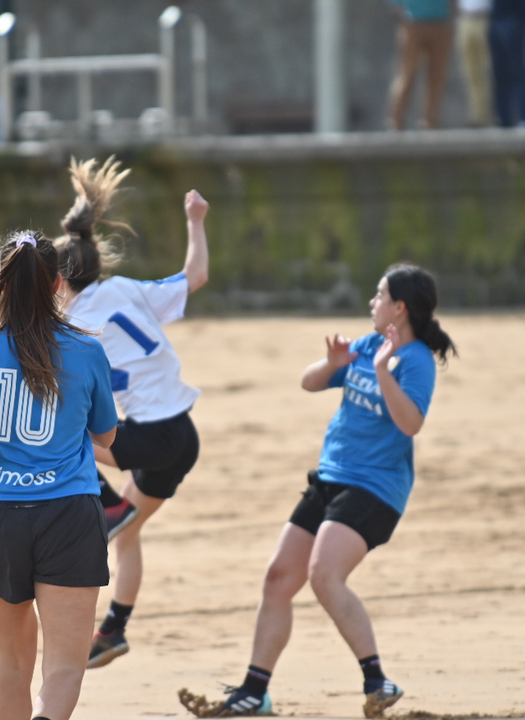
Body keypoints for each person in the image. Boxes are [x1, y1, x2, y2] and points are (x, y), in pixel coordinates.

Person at [189, 264, 455, 718]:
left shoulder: (415, 361)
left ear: (399, 307)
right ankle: (255, 691)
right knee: (278, 578)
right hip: (331, 478)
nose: (372, 302)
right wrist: (333, 363)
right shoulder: (368, 344)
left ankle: (378, 680)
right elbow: (309, 382)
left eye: (379, 295)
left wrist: (382, 371)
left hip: (375, 488)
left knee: (324, 574)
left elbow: (411, 423)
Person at [0, 232, 119, 720]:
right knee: (64, 666)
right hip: (69, 514)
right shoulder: (86, 348)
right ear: (57, 283)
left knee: (10, 663)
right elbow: (106, 435)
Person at [50, 158, 210, 670]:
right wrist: (196, 221)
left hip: (150, 439)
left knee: (59, 437)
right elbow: (197, 276)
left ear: (59, 281)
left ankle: (108, 506)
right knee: (130, 533)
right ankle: (113, 631)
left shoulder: (72, 324)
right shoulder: (125, 290)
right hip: (180, 435)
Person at [387, 0, 453, 130]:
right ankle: (396, 121)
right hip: (413, 23)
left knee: (436, 76)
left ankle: (429, 122)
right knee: (407, 74)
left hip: (440, 22)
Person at [488, 0, 525, 126]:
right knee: (499, 74)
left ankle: (522, 116)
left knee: (516, 72)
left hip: (512, 22)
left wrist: (519, 22)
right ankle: (503, 118)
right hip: (496, 21)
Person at [457, 0, 492, 127]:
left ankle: (493, 115)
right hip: (465, 18)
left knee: (490, 71)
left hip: (486, 19)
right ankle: (478, 116)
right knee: (470, 72)